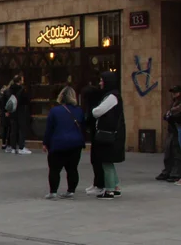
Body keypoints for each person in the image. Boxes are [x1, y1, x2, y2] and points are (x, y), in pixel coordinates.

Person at [41, 86, 86, 199]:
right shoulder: (79, 110)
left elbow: (49, 129)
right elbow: (83, 126)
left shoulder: (55, 111)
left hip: (58, 143)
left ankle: (53, 192)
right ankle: (71, 190)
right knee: (72, 168)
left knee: (55, 169)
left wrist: (45, 143)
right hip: (75, 143)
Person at [91, 71, 126, 199]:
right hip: (113, 135)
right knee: (108, 162)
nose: (100, 83)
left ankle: (110, 190)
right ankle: (116, 187)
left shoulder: (112, 96)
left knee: (106, 162)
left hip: (109, 136)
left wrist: (93, 110)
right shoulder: (114, 95)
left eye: (102, 80)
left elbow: (97, 111)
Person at [157, 86, 181, 183]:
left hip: (178, 129)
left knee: (177, 152)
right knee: (168, 152)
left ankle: (177, 173)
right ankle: (167, 171)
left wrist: (172, 117)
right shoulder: (174, 102)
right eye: (173, 92)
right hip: (171, 129)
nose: (174, 94)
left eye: (176, 92)